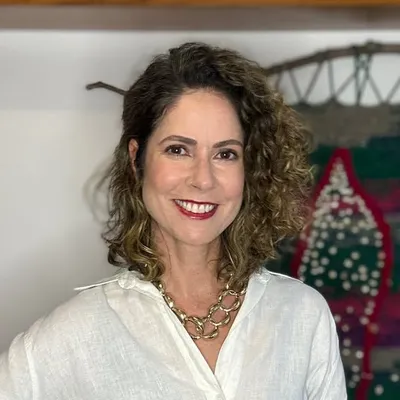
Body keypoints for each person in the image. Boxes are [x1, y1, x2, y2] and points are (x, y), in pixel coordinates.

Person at [0, 42, 347, 399]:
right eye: (178, 150)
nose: (203, 179)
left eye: (226, 154)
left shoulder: (302, 316)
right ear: (137, 160)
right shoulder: (77, 333)